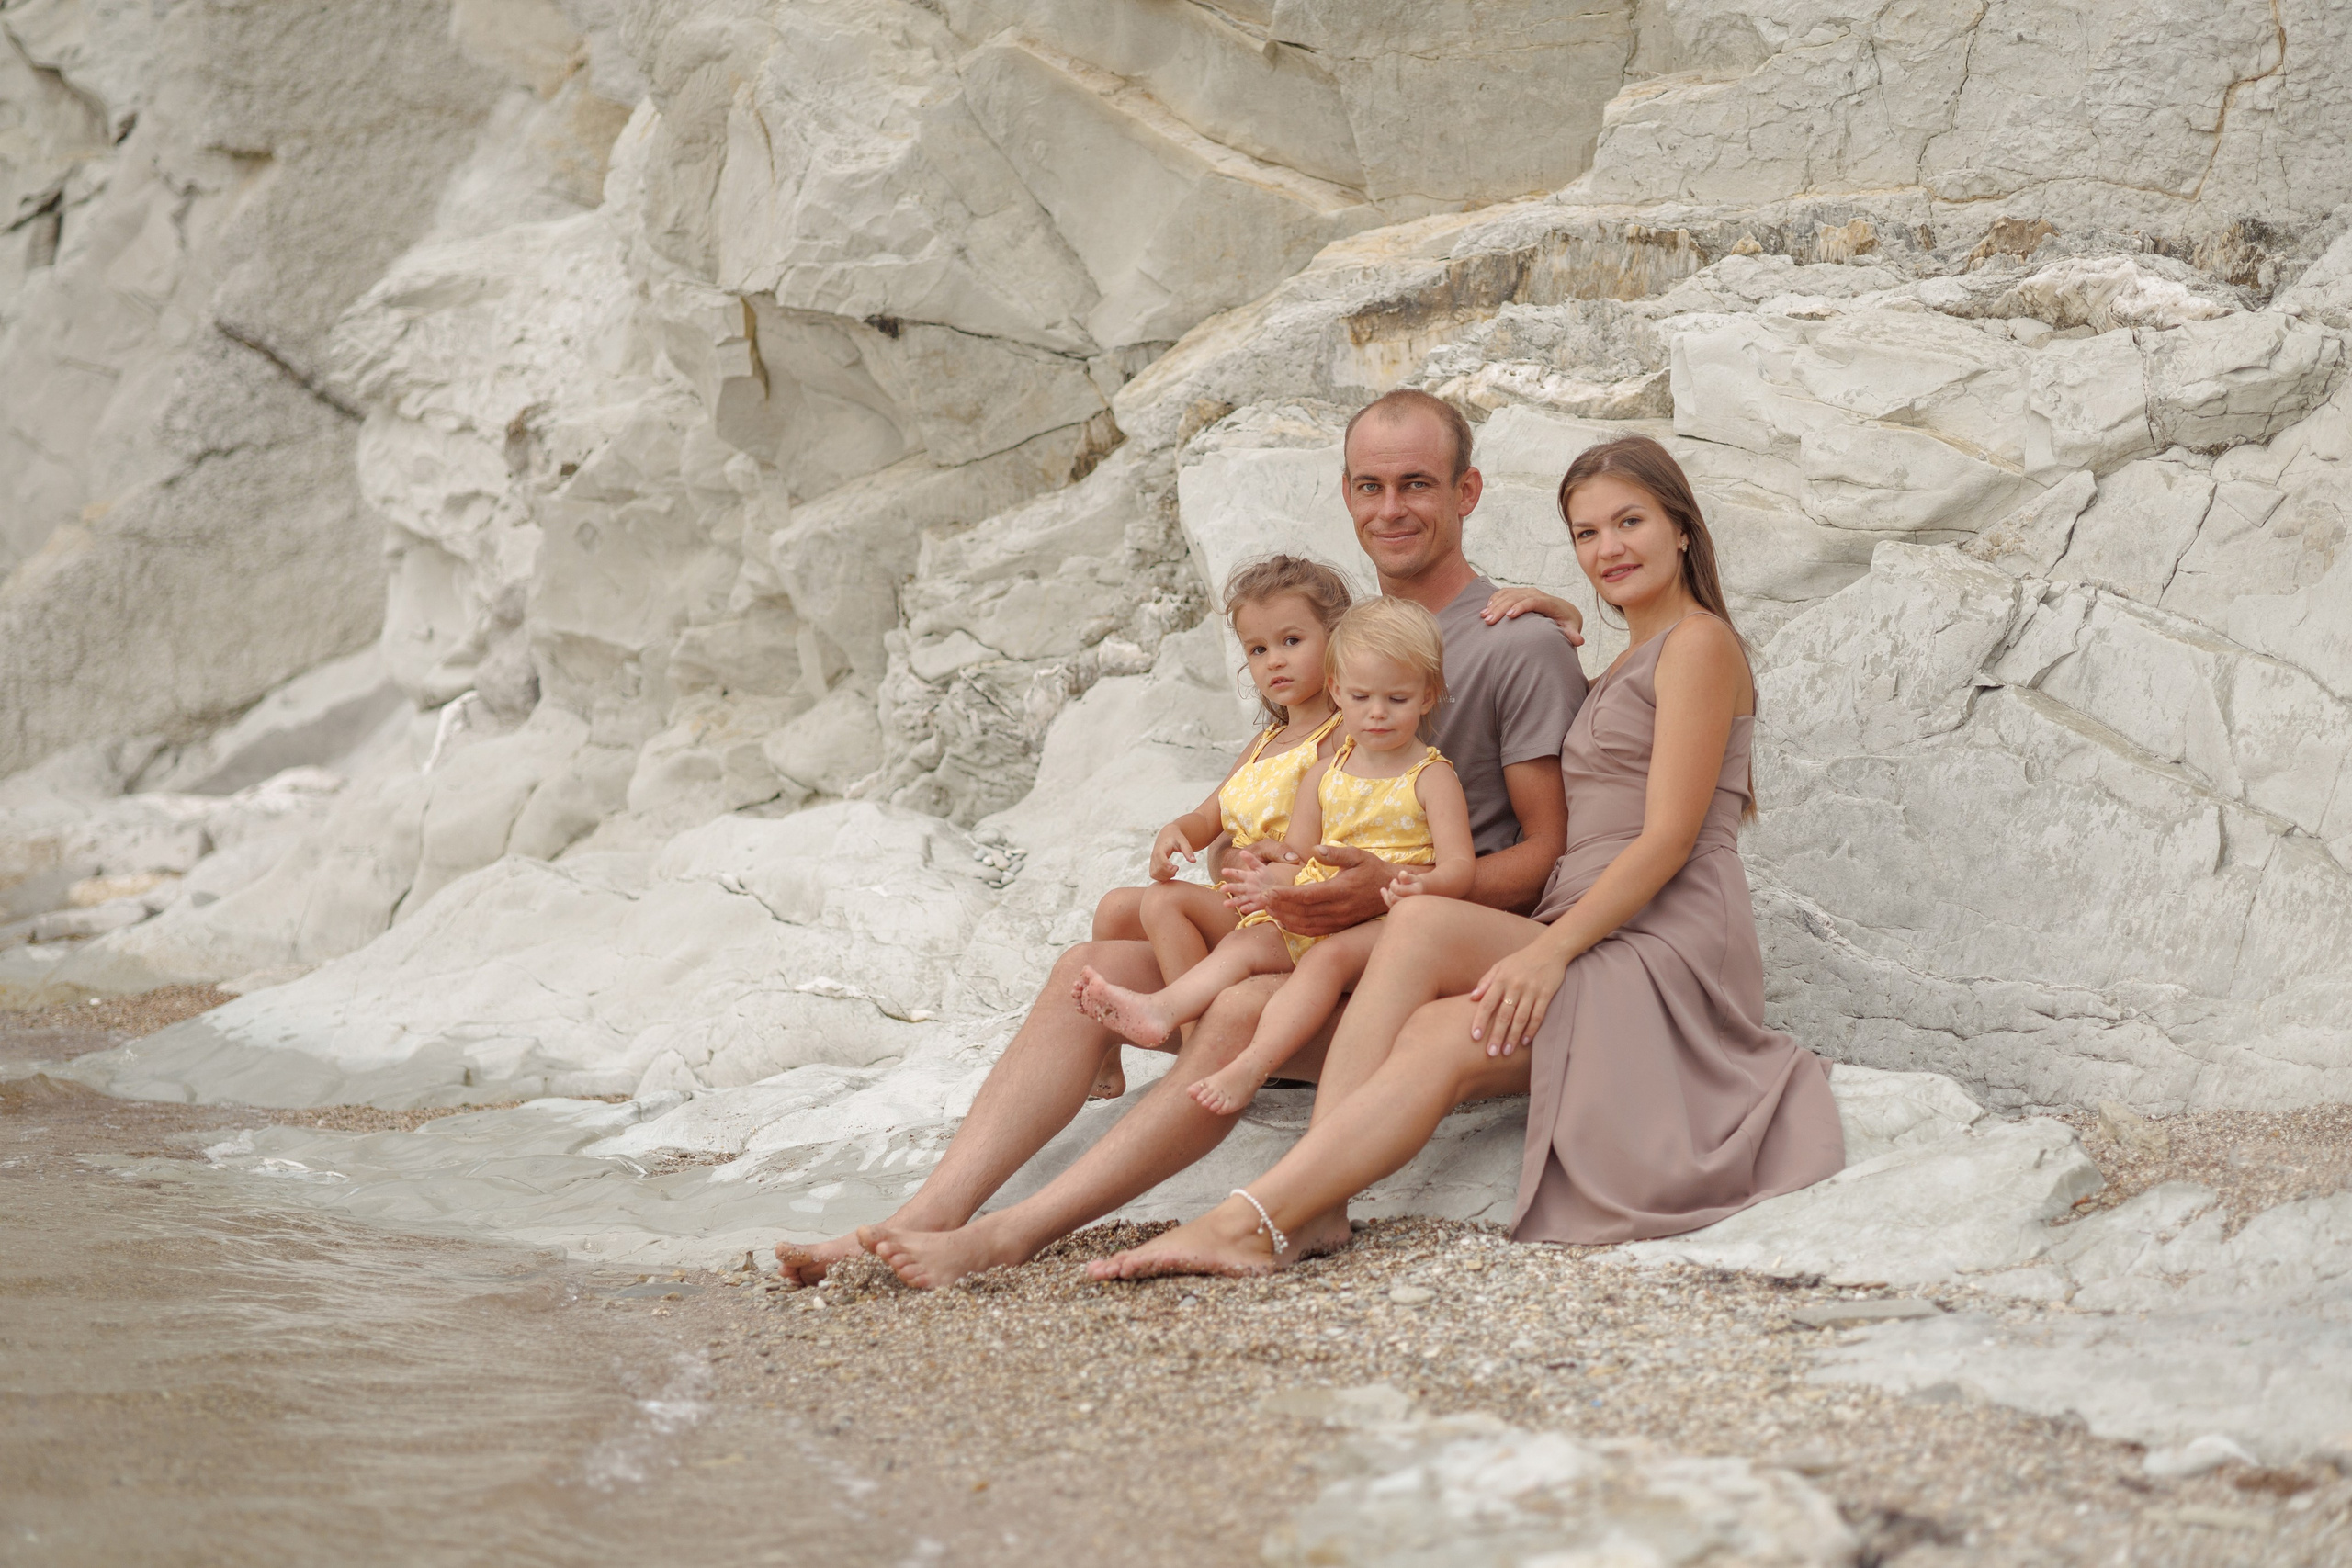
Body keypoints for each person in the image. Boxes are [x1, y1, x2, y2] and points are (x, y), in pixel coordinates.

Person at [773, 388, 1588, 1291]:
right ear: (1346, 495)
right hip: (1310, 939)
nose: (1390, 509)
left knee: (1236, 1009)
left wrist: (1390, 894)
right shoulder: (1345, 638)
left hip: (1420, 968)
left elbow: (1544, 860)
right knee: (1089, 969)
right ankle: (926, 1214)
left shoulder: (1517, 643)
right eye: (1369, 486)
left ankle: (1010, 1237)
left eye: (1416, 485)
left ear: (1467, 492)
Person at [1090, 434, 1847, 1280]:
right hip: (1597, 922)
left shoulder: (1701, 645)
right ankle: (1302, 1211)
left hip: (1662, 935)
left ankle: (1266, 1214)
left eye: (1629, 521)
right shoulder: (1633, 652)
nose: (1609, 548)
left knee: (1416, 925)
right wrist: (1560, 611)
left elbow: (1668, 838)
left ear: (1681, 527)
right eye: (1587, 534)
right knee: (1434, 1035)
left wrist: (1550, 953)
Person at [1077, 596, 1475, 1115]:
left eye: (1395, 699)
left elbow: (1457, 866)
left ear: (1425, 697)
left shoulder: (1417, 771)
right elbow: (1304, 850)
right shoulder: (1316, 766)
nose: (1377, 712)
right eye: (1259, 649)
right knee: (1169, 924)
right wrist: (1261, 859)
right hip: (1298, 899)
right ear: (1342, 689)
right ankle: (1159, 1014)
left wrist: (1416, 885)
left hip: (1369, 914)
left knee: (1177, 913)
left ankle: (1222, 1056)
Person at [1079, 555, 1351, 1099]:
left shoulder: (1342, 734)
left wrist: (1286, 858)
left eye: (1292, 641)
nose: (1274, 660)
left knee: (1165, 904)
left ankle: (1199, 1049)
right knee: (1114, 906)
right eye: (1258, 649)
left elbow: (1344, 826)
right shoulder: (1264, 744)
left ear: (1337, 639)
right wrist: (1177, 831)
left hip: (1288, 913)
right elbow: (1212, 815)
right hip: (1242, 904)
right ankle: (1105, 1056)